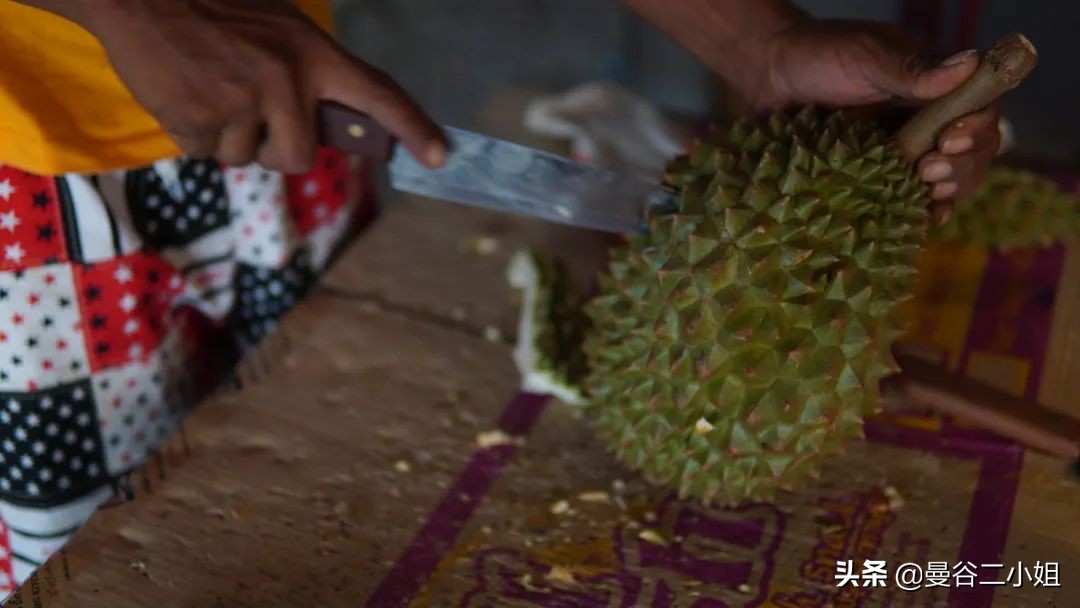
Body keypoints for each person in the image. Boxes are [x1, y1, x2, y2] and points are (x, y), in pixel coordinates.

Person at [0, 0, 1002, 596]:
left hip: (281, 105)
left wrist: (759, 42)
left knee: (260, 463)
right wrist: (142, 12)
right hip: (27, 186)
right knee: (92, 572)